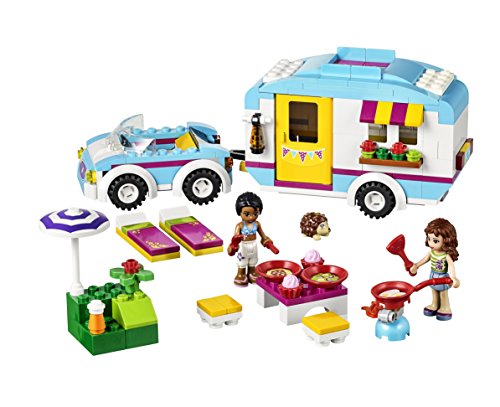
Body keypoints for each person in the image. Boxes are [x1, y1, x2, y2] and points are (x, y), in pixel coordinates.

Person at [410, 218, 460, 321]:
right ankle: (434, 304)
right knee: (434, 291)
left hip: (442, 278)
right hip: (432, 275)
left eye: (435, 241)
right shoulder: (431, 252)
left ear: (446, 241)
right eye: (429, 239)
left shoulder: (446, 255)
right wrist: (416, 265)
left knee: (443, 293)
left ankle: (445, 307)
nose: (431, 243)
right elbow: (424, 260)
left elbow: (451, 266)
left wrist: (454, 277)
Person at [228, 192, 277, 286]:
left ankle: (252, 273)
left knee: (253, 260)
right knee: (242, 260)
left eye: (255, 214)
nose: (251, 217)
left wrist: (267, 241)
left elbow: (263, 235)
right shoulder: (240, 226)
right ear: (239, 213)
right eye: (246, 214)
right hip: (243, 246)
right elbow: (235, 238)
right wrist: (234, 244)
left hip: (254, 245)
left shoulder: (257, 224)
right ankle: (241, 274)